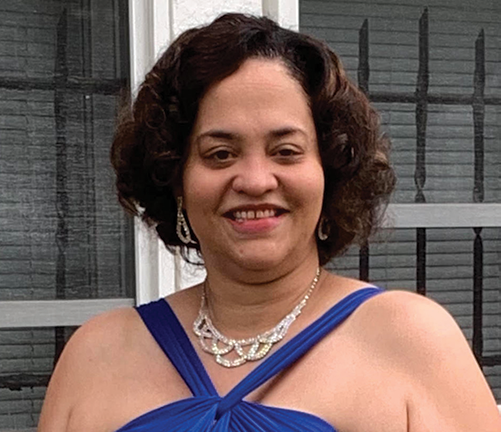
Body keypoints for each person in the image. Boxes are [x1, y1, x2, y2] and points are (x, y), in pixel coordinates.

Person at [38, 13, 501, 432]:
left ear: (330, 172)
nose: (256, 181)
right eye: (220, 154)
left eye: (286, 151)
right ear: (175, 179)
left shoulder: (412, 340)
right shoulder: (95, 354)